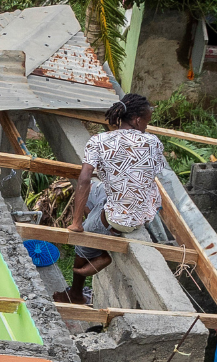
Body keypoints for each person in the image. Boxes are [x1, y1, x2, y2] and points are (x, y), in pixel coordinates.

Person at [60, 92, 165, 282]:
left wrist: (76, 224)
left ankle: (95, 257)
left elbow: (83, 179)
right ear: (137, 120)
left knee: (82, 241)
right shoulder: (154, 142)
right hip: (143, 213)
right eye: (146, 123)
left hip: (122, 220)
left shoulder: (99, 141)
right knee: (94, 189)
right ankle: (102, 230)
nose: (145, 127)